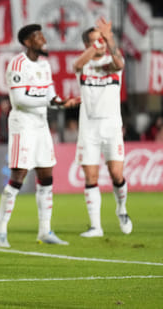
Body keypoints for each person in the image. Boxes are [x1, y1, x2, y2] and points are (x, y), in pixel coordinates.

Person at [0, 24, 80, 248]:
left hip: (41, 125)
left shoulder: (44, 65)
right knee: (18, 177)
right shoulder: (17, 64)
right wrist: (50, 101)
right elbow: (20, 100)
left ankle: (45, 230)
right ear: (28, 42)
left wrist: (61, 103)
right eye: (39, 36)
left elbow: (50, 94)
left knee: (46, 176)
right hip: (22, 126)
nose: (44, 39)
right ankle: (1, 232)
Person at [73, 18, 132, 237]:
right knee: (91, 177)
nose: (100, 44)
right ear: (87, 45)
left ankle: (122, 209)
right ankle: (96, 226)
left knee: (116, 174)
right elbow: (76, 66)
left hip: (112, 127)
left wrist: (110, 39)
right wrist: (94, 48)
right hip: (88, 128)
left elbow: (120, 64)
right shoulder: (84, 65)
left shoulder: (112, 62)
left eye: (101, 40)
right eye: (95, 40)